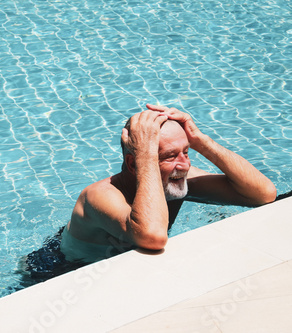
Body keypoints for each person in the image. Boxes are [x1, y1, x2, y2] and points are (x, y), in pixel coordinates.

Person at [60, 104, 277, 262]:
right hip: (60, 268)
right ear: (134, 164)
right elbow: (153, 237)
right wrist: (145, 155)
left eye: (186, 151)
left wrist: (202, 142)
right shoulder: (100, 195)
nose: (184, 165)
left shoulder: (176, 175)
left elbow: (263, 194)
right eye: (170, 156)